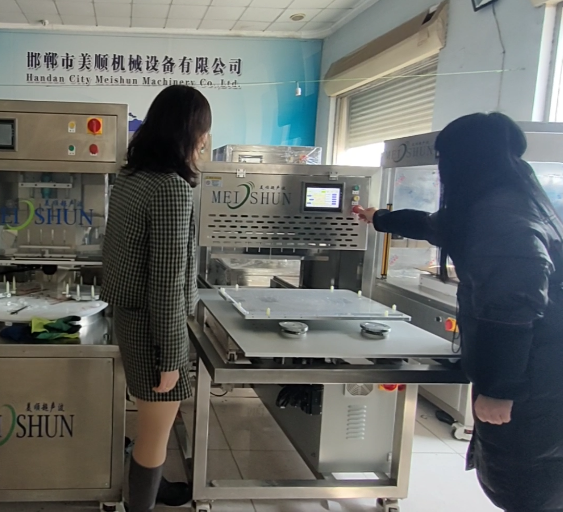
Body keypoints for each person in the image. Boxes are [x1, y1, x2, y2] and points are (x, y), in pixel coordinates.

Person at [356, 112, 563, 512]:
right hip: (535, 371)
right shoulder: (503, 197)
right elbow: (436, 226)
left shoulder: (502, 216)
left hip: (536, 381)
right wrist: (378, 217)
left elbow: (512, 310)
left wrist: (500, 389)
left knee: (528, 486)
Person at [101, 85, 211, 512]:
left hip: (132, 318)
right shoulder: (171, 188)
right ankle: (142, 503)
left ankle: (155, 486)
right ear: (188, 131)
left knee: (153, 425)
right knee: (154, 434)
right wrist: (171, 357)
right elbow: (166, 282)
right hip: (154, 328)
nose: (205, 139)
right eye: (203, 129)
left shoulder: (130, 178)